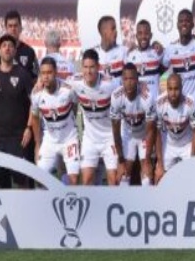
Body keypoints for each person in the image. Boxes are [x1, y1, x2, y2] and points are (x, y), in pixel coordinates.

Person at [0, 34, 34, 189]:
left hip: (18, 140)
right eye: (4, 46)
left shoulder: (23, 74)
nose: (7, 48)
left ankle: (24, 213)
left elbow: (34, 103)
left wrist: (29, 128)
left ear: (15, 50)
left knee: (23, 184)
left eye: (10, 45)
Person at [69, 49, 120, 186]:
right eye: (85, 67)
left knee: (113, 181)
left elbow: (127, 88)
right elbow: (57, 83)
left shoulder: (110, 84)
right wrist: (39, 82)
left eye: (92, 67)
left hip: (110, 137)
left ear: (98, 67)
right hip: (90, 138)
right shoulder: (75, 82)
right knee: (86, 181)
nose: (88, 71)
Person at [29, 57, 80, 185]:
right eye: (43, 73)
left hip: (69, 139)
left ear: (55, 72)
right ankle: (47, 203)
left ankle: (65, 199)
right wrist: (37, 144)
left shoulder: (68, 90)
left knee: (73, 180)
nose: (46, 77)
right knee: (40, 179)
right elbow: (35, 117)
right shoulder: (36, 95)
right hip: (49, 141)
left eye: (49, 73)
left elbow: (74, 106)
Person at [110, 63, 156, 186]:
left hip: (143, 136)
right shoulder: (116, 97)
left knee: (147, 176)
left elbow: (151, 130)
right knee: (122, 176)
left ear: (137, 80)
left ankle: (148, 203)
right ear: (122, 80)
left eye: (132, 79)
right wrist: (120, 160)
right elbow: (115, 131)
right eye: (125, 79)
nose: (129, 83)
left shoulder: (147, 98)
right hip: (127, 135)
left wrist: (146, 160)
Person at [155, 73, 195, 183]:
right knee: (159, 177)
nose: (173, 93)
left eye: (176, 89)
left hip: (187, 144)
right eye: (170, 89)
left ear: (181, 88)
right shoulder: (159, 103)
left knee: (193, 177)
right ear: (167, 89)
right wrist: (160, 163)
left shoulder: (190, 103)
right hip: (169, 144)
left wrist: (193, 158)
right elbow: (157, 134)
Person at [161, 9, 195, 105]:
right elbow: (158, 71)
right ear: (177, 25)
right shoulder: (170, 49)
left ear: (192, 24)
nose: (184, 24)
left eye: (187, 21)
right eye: (181, 21)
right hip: (180, 106)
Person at [0, 10, 38, 78]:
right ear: (6, 28)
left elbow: (37, 77)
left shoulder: (29, 52)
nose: (13, 29)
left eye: (15, 26)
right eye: (10, 26)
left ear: (20, 28)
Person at [126, 19, 163, 102]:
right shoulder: (130, 56)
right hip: (137, 106)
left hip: (154, 105)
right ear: (136, 36)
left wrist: (157, 44)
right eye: (140, 33)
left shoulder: (157, 53)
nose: (143, 36)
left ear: (151, 35)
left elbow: (165, 68)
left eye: (146, 33)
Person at [94, 15, 129, 84]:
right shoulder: (93, 54)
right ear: (104, 32)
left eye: (115, 29)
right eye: (113, 28)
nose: (116, 32)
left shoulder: (124, 51)